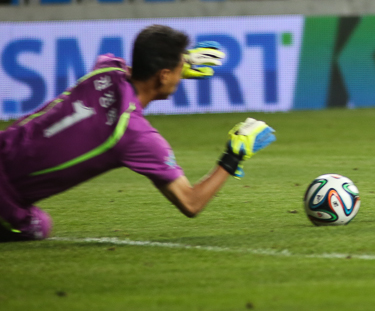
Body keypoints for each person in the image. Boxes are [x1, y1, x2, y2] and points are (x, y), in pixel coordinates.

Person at [0, 25, 276, 241]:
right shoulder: (133, 135)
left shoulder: (105, 70)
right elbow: (191, 203)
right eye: (178, 69)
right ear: (164, 75)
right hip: (5, 198)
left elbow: (128, 68)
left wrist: (180, 62)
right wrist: (233, 155)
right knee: (38, 226)